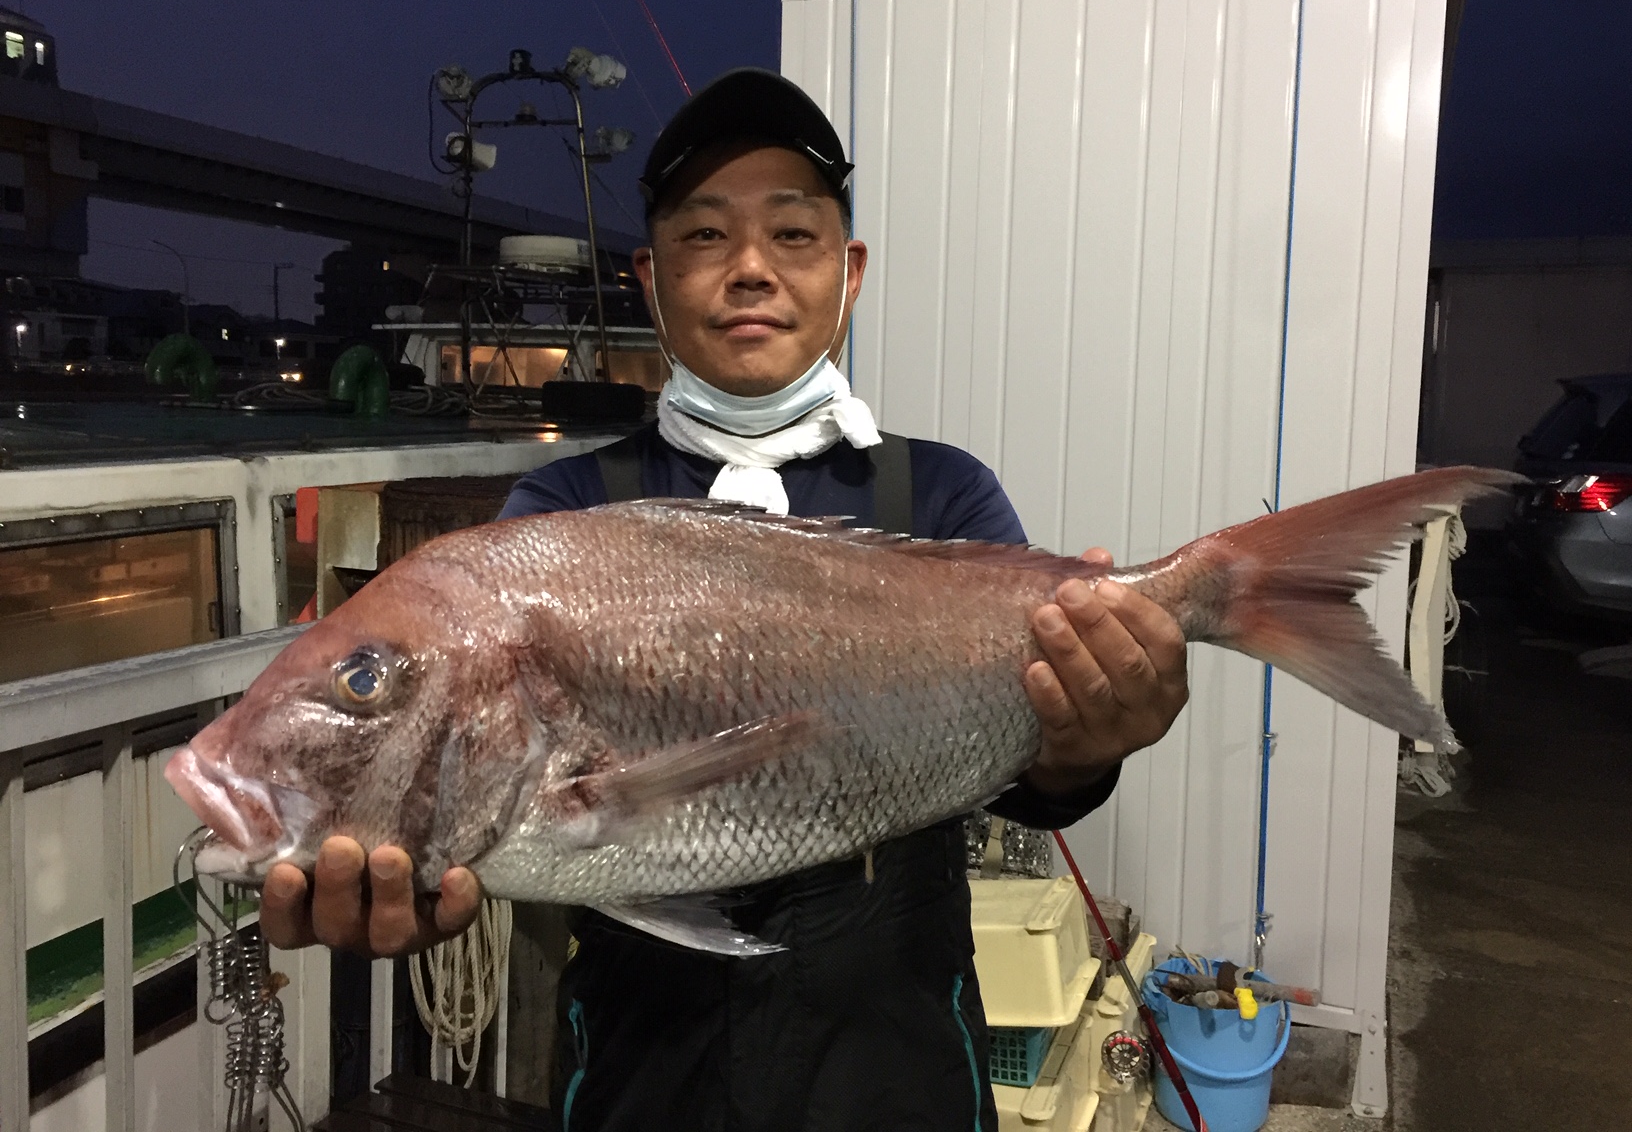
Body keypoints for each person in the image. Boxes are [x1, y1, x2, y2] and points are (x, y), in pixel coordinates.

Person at [261, 68, 1188, 1130]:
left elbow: (1026, 777)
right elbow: (486, 781)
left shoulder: (939, 493)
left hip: (895, 1062)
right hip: (642, 1070)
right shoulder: (560, 511)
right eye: (706, 237)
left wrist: (1090, 740)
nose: (751, 268)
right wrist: (413, 871)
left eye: (793, 236)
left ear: (850, 274)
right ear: (649, 280)